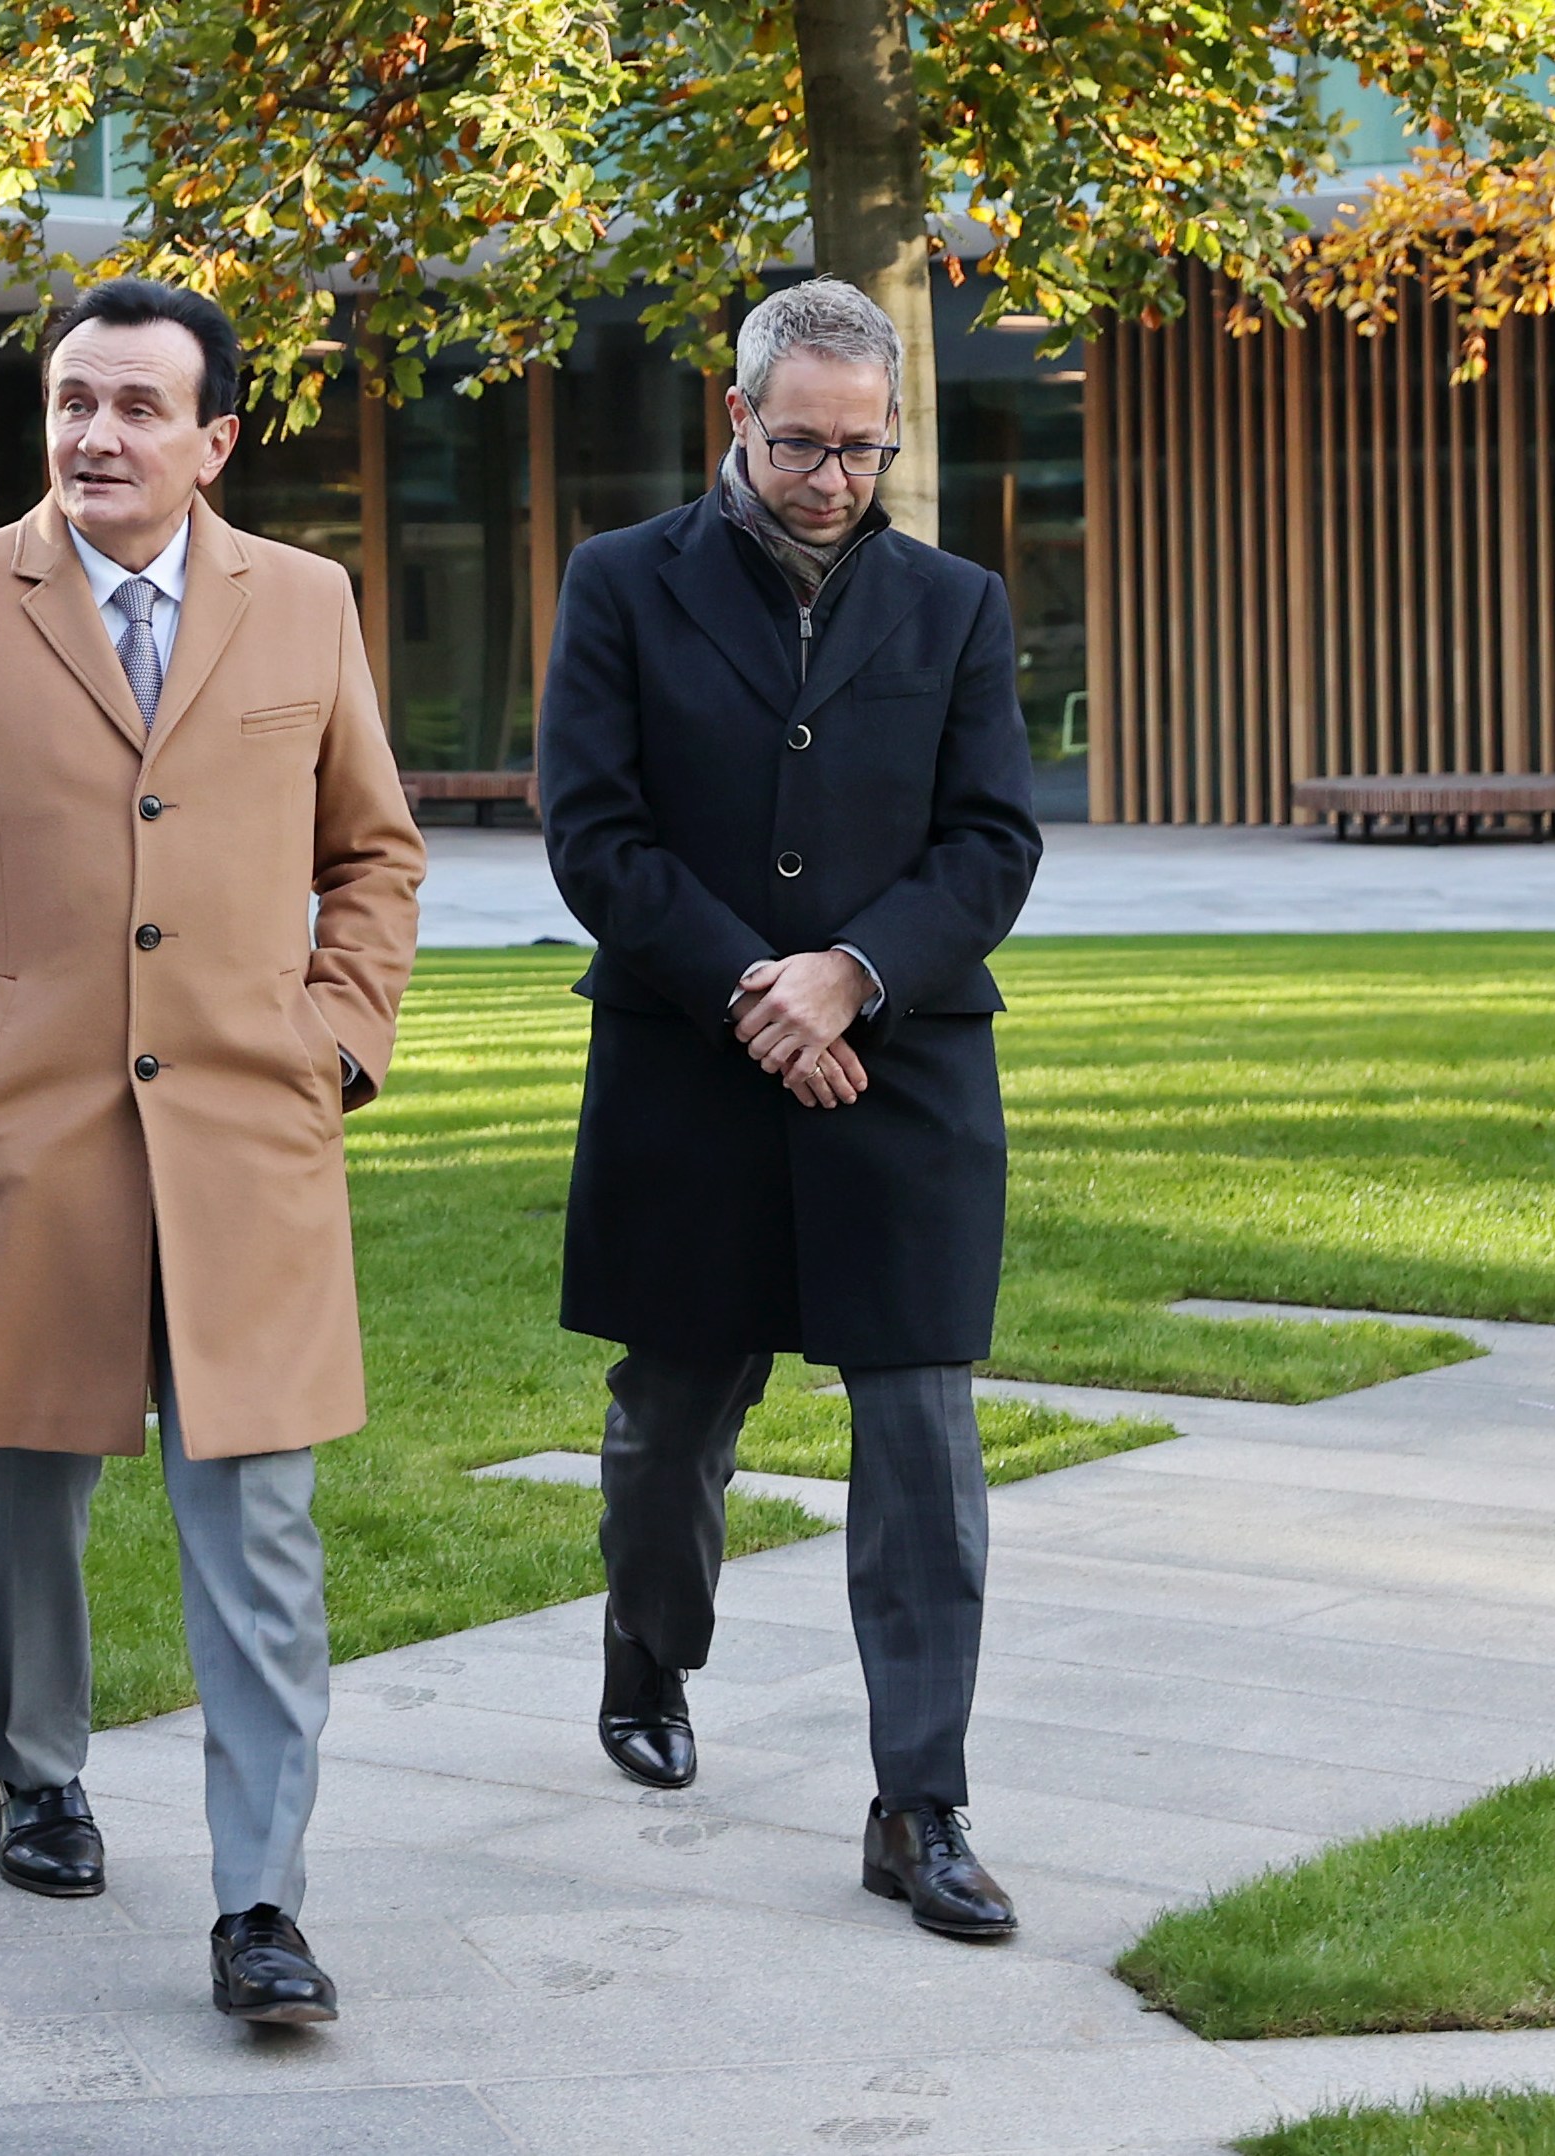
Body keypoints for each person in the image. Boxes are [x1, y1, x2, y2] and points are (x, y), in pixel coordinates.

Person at [0, 276, 425, 2025]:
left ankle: (261, 1902)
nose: (96, 434)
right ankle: (32, 1765)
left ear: (213, 439)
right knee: (17, 1483)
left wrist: (337, 1039)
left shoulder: (307, 605)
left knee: (257, 1524)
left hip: (250, 1138)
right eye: (74, 402)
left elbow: (372, 854)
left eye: (138, 408)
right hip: (33, 1131)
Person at [537, 275, 1042, 1943]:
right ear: (735, 422)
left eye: (862, 450)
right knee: (671, 1416)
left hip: (898, 1076)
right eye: (802, 443)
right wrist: (763, 988)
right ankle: (647, 1645)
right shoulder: (619, 585)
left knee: (921, 1446)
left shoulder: (956, 605)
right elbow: (595, 833)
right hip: (692, 1068)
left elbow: (990, 843)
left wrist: (854, 976)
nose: (832, 478)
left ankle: (924, 1800)